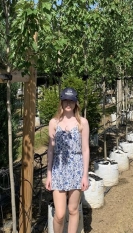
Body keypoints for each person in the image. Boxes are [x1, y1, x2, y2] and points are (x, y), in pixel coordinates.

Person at [45, 87, 90, 233]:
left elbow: (85, 149)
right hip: (58, 168)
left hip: (76, 168)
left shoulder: (82, 123)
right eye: (65, 100)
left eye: (71, 100)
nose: (68, 103)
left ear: (76, 103)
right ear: (61, 102)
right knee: (59, 214)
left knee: (73, 209)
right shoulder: (54, 123)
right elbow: (50, 150)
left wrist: (85, 175)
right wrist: (49, 174)